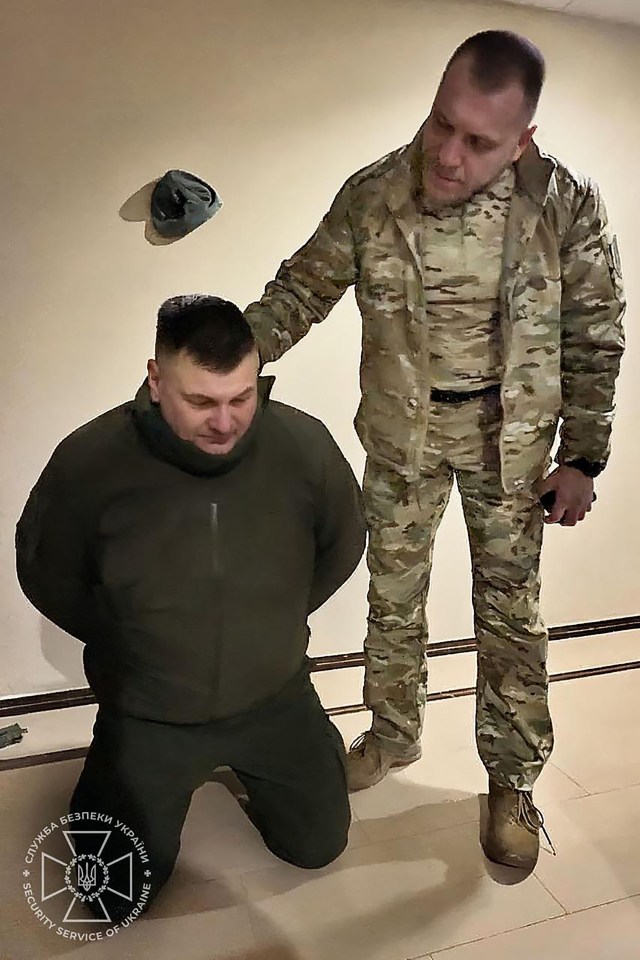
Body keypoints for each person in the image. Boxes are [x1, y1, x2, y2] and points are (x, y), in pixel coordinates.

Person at [244, 30, 626, 870]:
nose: (447, 156)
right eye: (440, 124)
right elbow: (302, 289)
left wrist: (584, 456)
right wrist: (228, 353)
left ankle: (512, 782)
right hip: (404, 437)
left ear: (522, 139)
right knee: (393, 601)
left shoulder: (562, 203)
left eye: (478, 141)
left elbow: (596, 334)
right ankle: (390, 736)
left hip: (514, 450)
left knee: (512, 621)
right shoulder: (377, 192)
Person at [15, 295, 366, 917]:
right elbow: (47, 574)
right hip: (151, 715)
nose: (225, 422)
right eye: (200, 401)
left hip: (273, 698)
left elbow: (342, 544)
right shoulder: (91, 462)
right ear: (155, 379)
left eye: (242, 397)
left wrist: (276, 620)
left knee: (319, 845)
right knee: (108, 898)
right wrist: (132, 641)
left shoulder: (302, 445)